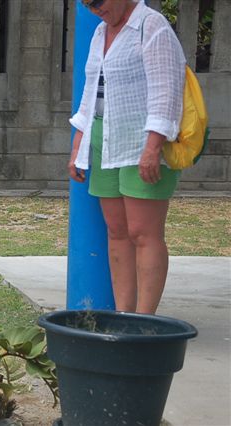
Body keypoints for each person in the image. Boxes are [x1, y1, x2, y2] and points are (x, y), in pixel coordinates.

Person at [68, 0, 185, 314]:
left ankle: (145, 319)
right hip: (104, 137)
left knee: (143, 232)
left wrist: (153, 147)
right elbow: (90, 92)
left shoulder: (151, 25)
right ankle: (124, 315)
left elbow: (167, 91)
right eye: (87, 4)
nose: (95, 9)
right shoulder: (100, 32)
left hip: (143, 138)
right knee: (117, 231)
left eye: (98, 2)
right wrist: (79, 145)